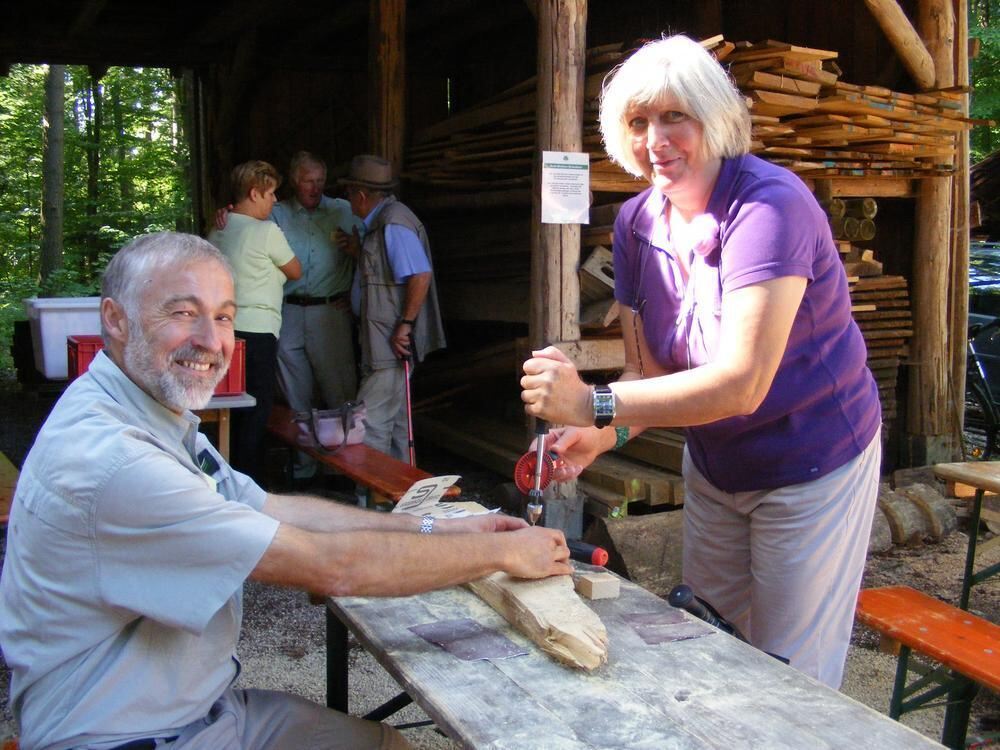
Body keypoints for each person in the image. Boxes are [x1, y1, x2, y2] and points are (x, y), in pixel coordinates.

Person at [0, 232, 570, 750]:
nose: (210, 340)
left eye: (225, 317)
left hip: (199, 712)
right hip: (122, 737)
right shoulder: (115, 461)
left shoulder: (144, 410)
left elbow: (271, 508)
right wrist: (498, 553)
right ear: (116, 320)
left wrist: (446, 527)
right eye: (182, 313)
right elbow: (332, 566)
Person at [520, 35, 881, 689]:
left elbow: (741, 384)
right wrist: (595, 435)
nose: (655, 139)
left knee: (786, 674)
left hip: (813, 462)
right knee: (708, 640)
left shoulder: (770, 207)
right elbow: (648, 375)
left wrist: (592, 402)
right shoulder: (634, 225)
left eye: (672, 117)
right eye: (637, 122)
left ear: (713, 117)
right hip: (716, 466)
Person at [336, 155, 446, 467]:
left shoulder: (393, 224)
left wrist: (406, 324)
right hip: (380, 341)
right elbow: (386, 273)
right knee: (397, 424)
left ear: (360, 195)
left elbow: (419, 274)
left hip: (388, 345)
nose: (348, 200)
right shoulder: (381, 223)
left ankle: (372, 501)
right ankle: (398, 499)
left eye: (349, 194)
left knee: (370, 422)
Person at [207, 160, 301, 484]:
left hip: (223, 329)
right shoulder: (267, 231)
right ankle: (248, 483)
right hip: (259, 330)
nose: (275, 201)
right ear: (254, 193)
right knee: (256, 409)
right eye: (271, 193)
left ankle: (222, 477)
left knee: (226, 407)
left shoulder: (218, 227)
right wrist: (273, 272)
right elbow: (296, 271)